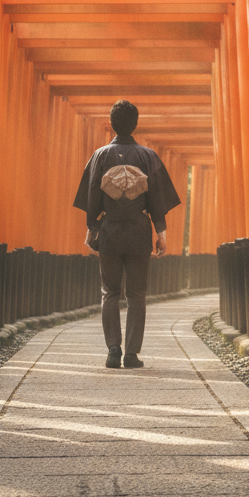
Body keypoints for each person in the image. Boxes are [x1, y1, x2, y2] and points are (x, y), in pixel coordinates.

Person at [73, 100, 181, 368]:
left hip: (109, 232)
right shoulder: (148, 156)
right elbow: (156, 198)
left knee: (109, 292)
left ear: (111, 124)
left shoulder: (100, 155)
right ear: (135, 124)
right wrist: (162, 234)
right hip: (138, 233)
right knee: (136, 294)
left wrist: (92, 229)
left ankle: (113, 350)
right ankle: (131, 354)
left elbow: (92, 197)